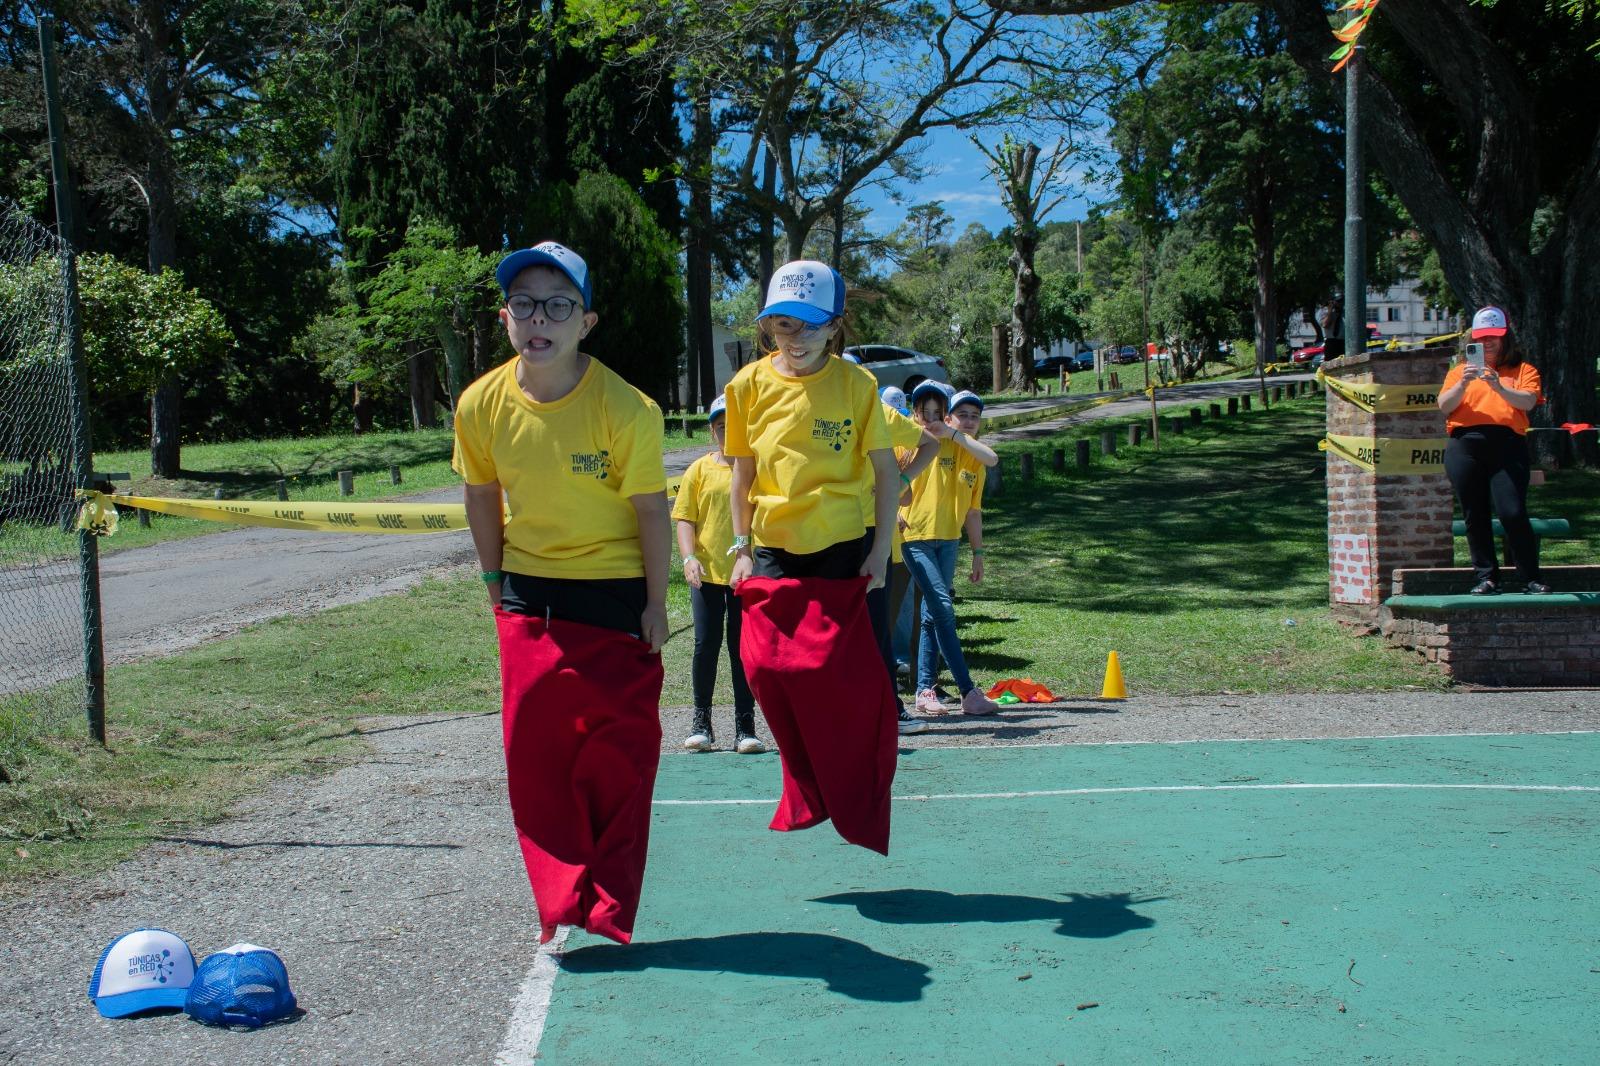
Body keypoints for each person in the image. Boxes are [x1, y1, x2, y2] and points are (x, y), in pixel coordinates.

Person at [453, 242, 670, 946]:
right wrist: (494, 582)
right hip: (528, 595)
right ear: (505, 318)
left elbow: (649, 512)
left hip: (614, 594)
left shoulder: (627, 408)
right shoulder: (480, 402)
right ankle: (559, 900)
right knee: (536, 759)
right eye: (524, 305)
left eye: (557, 304)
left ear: (587, 321)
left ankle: (608, 907)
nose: (538, 317)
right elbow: (481, 494)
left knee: (621, 759)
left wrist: (656, 604)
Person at [723, 259, 901, 855]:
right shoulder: (747, 385)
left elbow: (883, 472)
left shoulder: (858, 387)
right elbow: (741, 472)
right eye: (780, 325)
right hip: (774, 547)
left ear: (835, 327)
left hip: (846, 548)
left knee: (843, 683)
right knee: (765, 667)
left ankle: (848, 793)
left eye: (807, 325)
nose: (793, 339)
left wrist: (880, 549)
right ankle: (805, 784)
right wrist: (740, 546)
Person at [903, 380, 1002, 716]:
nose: (969, 420)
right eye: (963, 414)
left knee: (933, 617)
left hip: (948, 540)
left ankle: (924, 691)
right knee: (943, 608)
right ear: (915, 413)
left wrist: (978, 553)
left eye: (938, 413)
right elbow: (885, 477)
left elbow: (990, 462)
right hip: (914, 537)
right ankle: (967, 690)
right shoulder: (910, 439)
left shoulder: (964, 450)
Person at [673, 395, 764, 754]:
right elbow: (685, 519)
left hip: (745, 576)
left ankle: (746, 726)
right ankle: (702, 723)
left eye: (735, 426)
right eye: (722, 427)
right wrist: (688, 557)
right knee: (705, 646)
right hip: (707, 574)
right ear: (713, 432)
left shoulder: (755, 468)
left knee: (742, 650)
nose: (728, 433)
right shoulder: (698, 470)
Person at [1437, 305, 1549, 596]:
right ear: (1472, 339)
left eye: (1494, 337)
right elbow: (1444, 406)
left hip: (1507, 446)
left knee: (1512, 511)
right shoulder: (1459, 371)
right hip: (1465, 445)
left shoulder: (1524, 369)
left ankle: (1530, 576)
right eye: (1482, 337)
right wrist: (1463, 383)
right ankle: (1486, 576)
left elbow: (1527, 401)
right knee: (1475, 513)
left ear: (1505, 338)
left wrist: (1498, 386)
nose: (1487, 343)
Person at [875, 383, 939, 732]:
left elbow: (906, 494)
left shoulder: (884, 427)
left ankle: (893, 705)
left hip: (887, 549)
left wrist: (894, 481)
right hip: (842, 542)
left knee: (883, 628)